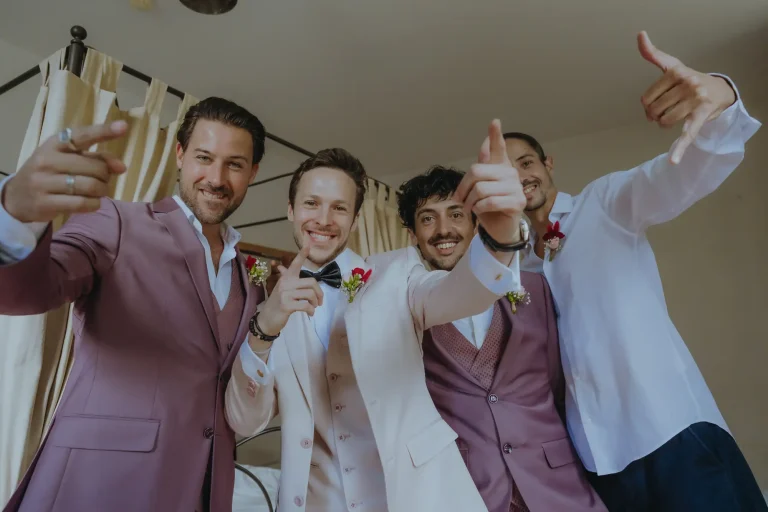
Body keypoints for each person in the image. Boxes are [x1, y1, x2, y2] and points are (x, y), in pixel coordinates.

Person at [509, 33, 764, 511]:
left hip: (670, 428)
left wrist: (722, 98)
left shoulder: (605, 203)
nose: (520, 175)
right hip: (596, 459)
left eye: (526, 162)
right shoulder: (513, 267)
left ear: (547, 164)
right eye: (506, 171)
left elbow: (681, 175)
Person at [225, 120, 529, 511]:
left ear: (354, 220)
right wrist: (265, 327)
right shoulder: (261, 302)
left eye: (339, 208)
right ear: (291, 210)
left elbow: (464, 293)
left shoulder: (398, 272)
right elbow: (244, 422)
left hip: (419, 497)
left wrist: (501, 235)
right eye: (311, 204)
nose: (323, 219)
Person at [0, 97, 267, 512]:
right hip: (98, 483)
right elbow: (25, 292)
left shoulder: (251, 278)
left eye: (234, 164)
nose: (216, 178)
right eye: (203, 157)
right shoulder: (116, 222)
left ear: (253, 172)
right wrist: (15, 213)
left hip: (203, 489)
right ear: (180, 155)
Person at [396, 165, 607, 512]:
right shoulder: (404, 307)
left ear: (477, 221)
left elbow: (557, 383)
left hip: (557, 484)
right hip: (467, 489)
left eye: (456, 214)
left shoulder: (534, 288)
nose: (444, 229)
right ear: (412, 234)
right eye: (428, 219)